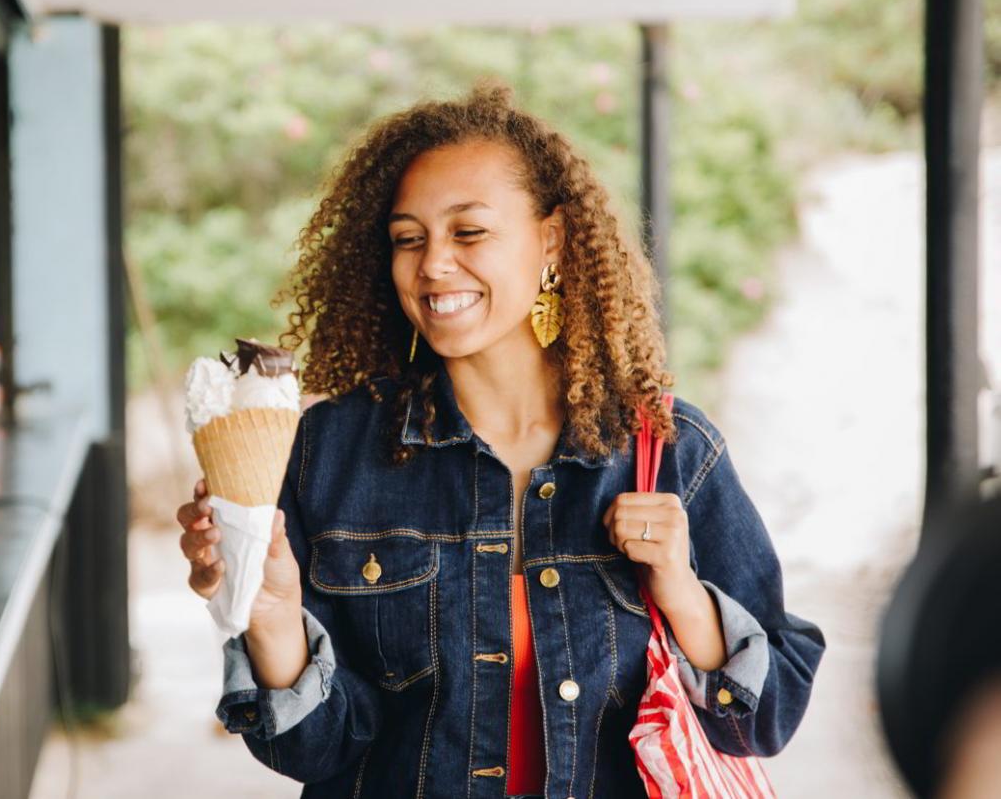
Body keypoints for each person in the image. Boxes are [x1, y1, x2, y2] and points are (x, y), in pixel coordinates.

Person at [175, 80, 826, 797]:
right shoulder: (328, 453)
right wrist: (269, 616)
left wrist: (682, 593)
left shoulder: (670, 451)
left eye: (469, 232)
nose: (433, 264)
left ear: (551, 240)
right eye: (407, 239)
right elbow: (314, 751)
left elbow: (764, 721)